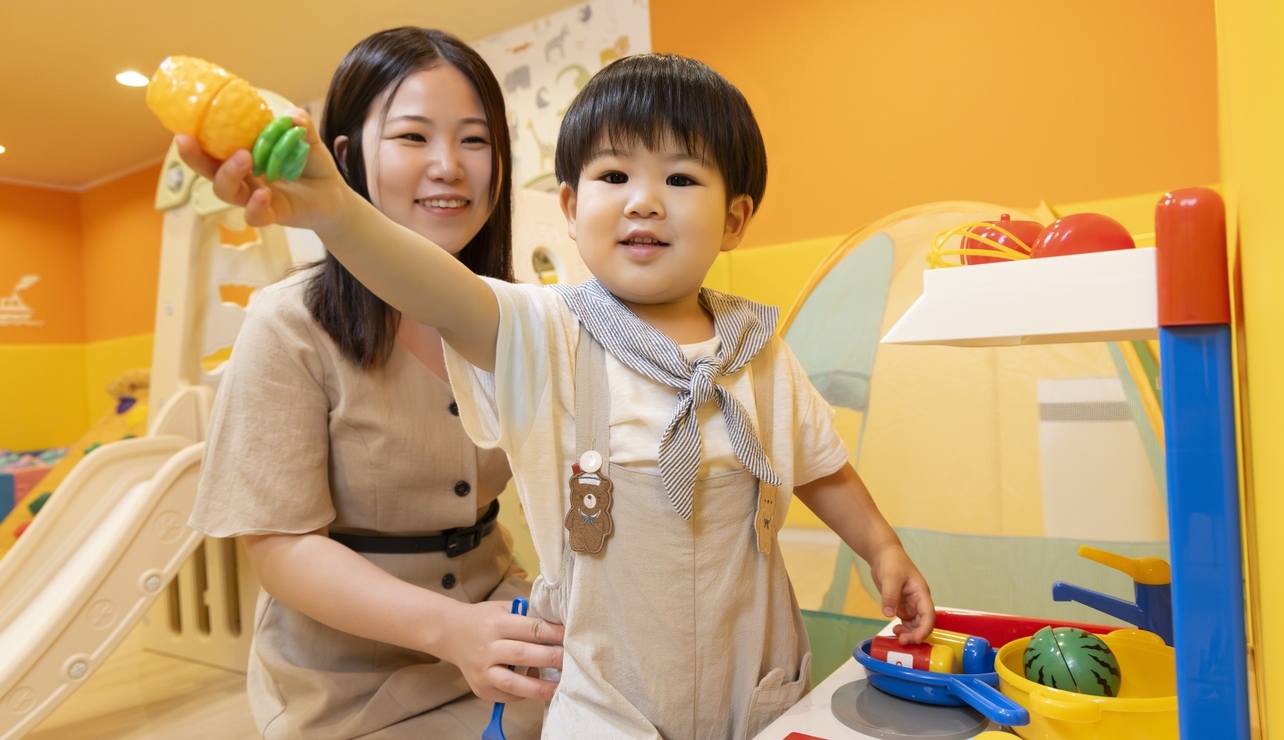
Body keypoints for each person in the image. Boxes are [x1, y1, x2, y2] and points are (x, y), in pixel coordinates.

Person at [184, 52, 934, 739]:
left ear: (734, 218)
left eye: (679, 179)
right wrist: (335, 212)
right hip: (608, 699)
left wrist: (880, 547)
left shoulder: (760, 350)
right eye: (615, 178)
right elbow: (442, 295)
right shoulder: (545, 330)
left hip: (754, 681)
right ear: (571, 209)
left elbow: (817, 463)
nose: (644, 202)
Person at [185, 27, 562, 740]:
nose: (449, 166)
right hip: (343, 681)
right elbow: (283, 549)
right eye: (413, 137)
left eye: (475, 141)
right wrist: (452, 630)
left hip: (502, 623)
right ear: (347, 157)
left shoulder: (518, 316)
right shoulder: (289, 326)